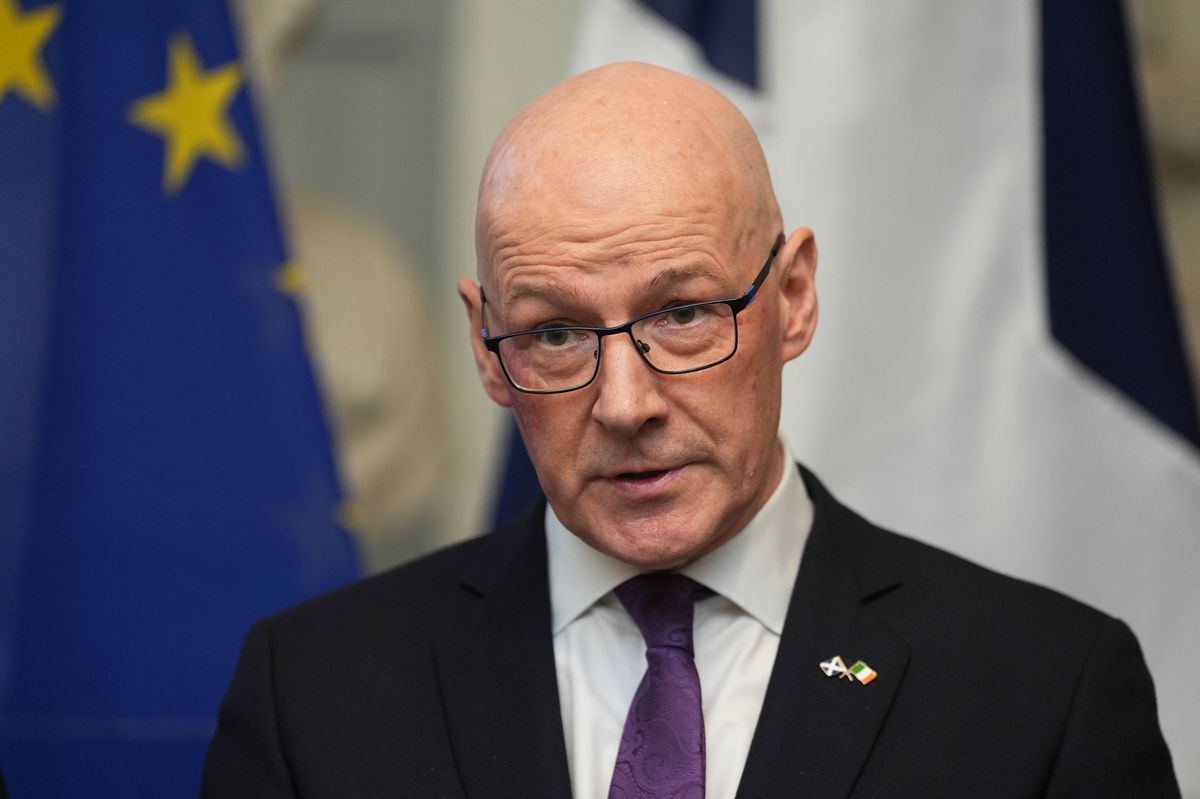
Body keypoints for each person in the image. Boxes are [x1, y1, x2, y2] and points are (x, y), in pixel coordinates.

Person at [201, 62, 1180, 798]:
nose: (626, 404)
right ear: (486, 346)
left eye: (682, 315)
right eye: (553, 332)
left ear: (792, 297)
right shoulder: (316, 695)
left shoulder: (1043, 693)